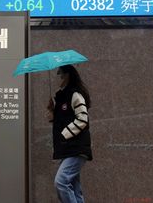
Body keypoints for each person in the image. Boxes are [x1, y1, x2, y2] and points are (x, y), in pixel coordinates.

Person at [46, 65, 92, 203]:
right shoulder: (61, 97)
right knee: (74, 188)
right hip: (68, 149)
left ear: (67, 75)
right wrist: (52, 110)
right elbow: (58, 121)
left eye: (60, 74)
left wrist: (65, 134)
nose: (59, 77)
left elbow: (83, 118)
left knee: (61, 182)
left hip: (77, 148)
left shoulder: (75, 94)